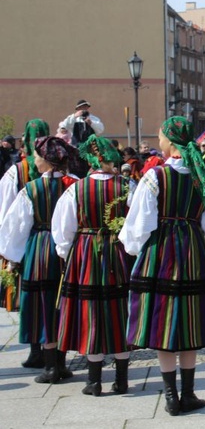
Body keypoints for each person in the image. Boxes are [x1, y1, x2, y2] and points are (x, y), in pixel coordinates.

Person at [119, 116, 205, 416]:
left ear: (169, 141)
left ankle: (171, 395)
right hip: (192, 250)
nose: (159, 141)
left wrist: (132, 249)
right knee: (190, 320)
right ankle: (189, 393)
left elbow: (140, 224)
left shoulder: (154, 177)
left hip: (161, 252)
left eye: (160, 136)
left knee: (163, 320)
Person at [52, 135, 133, 396]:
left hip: (85, 253)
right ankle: (121, 380)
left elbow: (63, 230)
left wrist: (65, 253)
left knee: (91, 312)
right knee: (119, 311)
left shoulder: (76, 189)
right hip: (118, 253)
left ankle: (94, 381)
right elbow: (137, 222)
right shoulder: (127, 186)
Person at [0, 136, 76, 383]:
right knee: (64, 303)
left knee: (44, 304)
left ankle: (51, 367)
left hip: (40, 249)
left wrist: (12, 256)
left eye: (36, 156)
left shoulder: (31, 189)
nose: (34, 160)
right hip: (70, 250)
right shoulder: (75, 184)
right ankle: (61, 364)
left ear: (45, 160)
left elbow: (16, 227)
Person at [0, 119, 50, 369]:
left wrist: (7, 249)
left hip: (28, 241)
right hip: (57, 239)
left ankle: (35, 350)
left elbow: (5, 210)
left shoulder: (17, 171)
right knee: (54, 294)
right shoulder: (64, 169)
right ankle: (56, 351)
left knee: (30, 294)